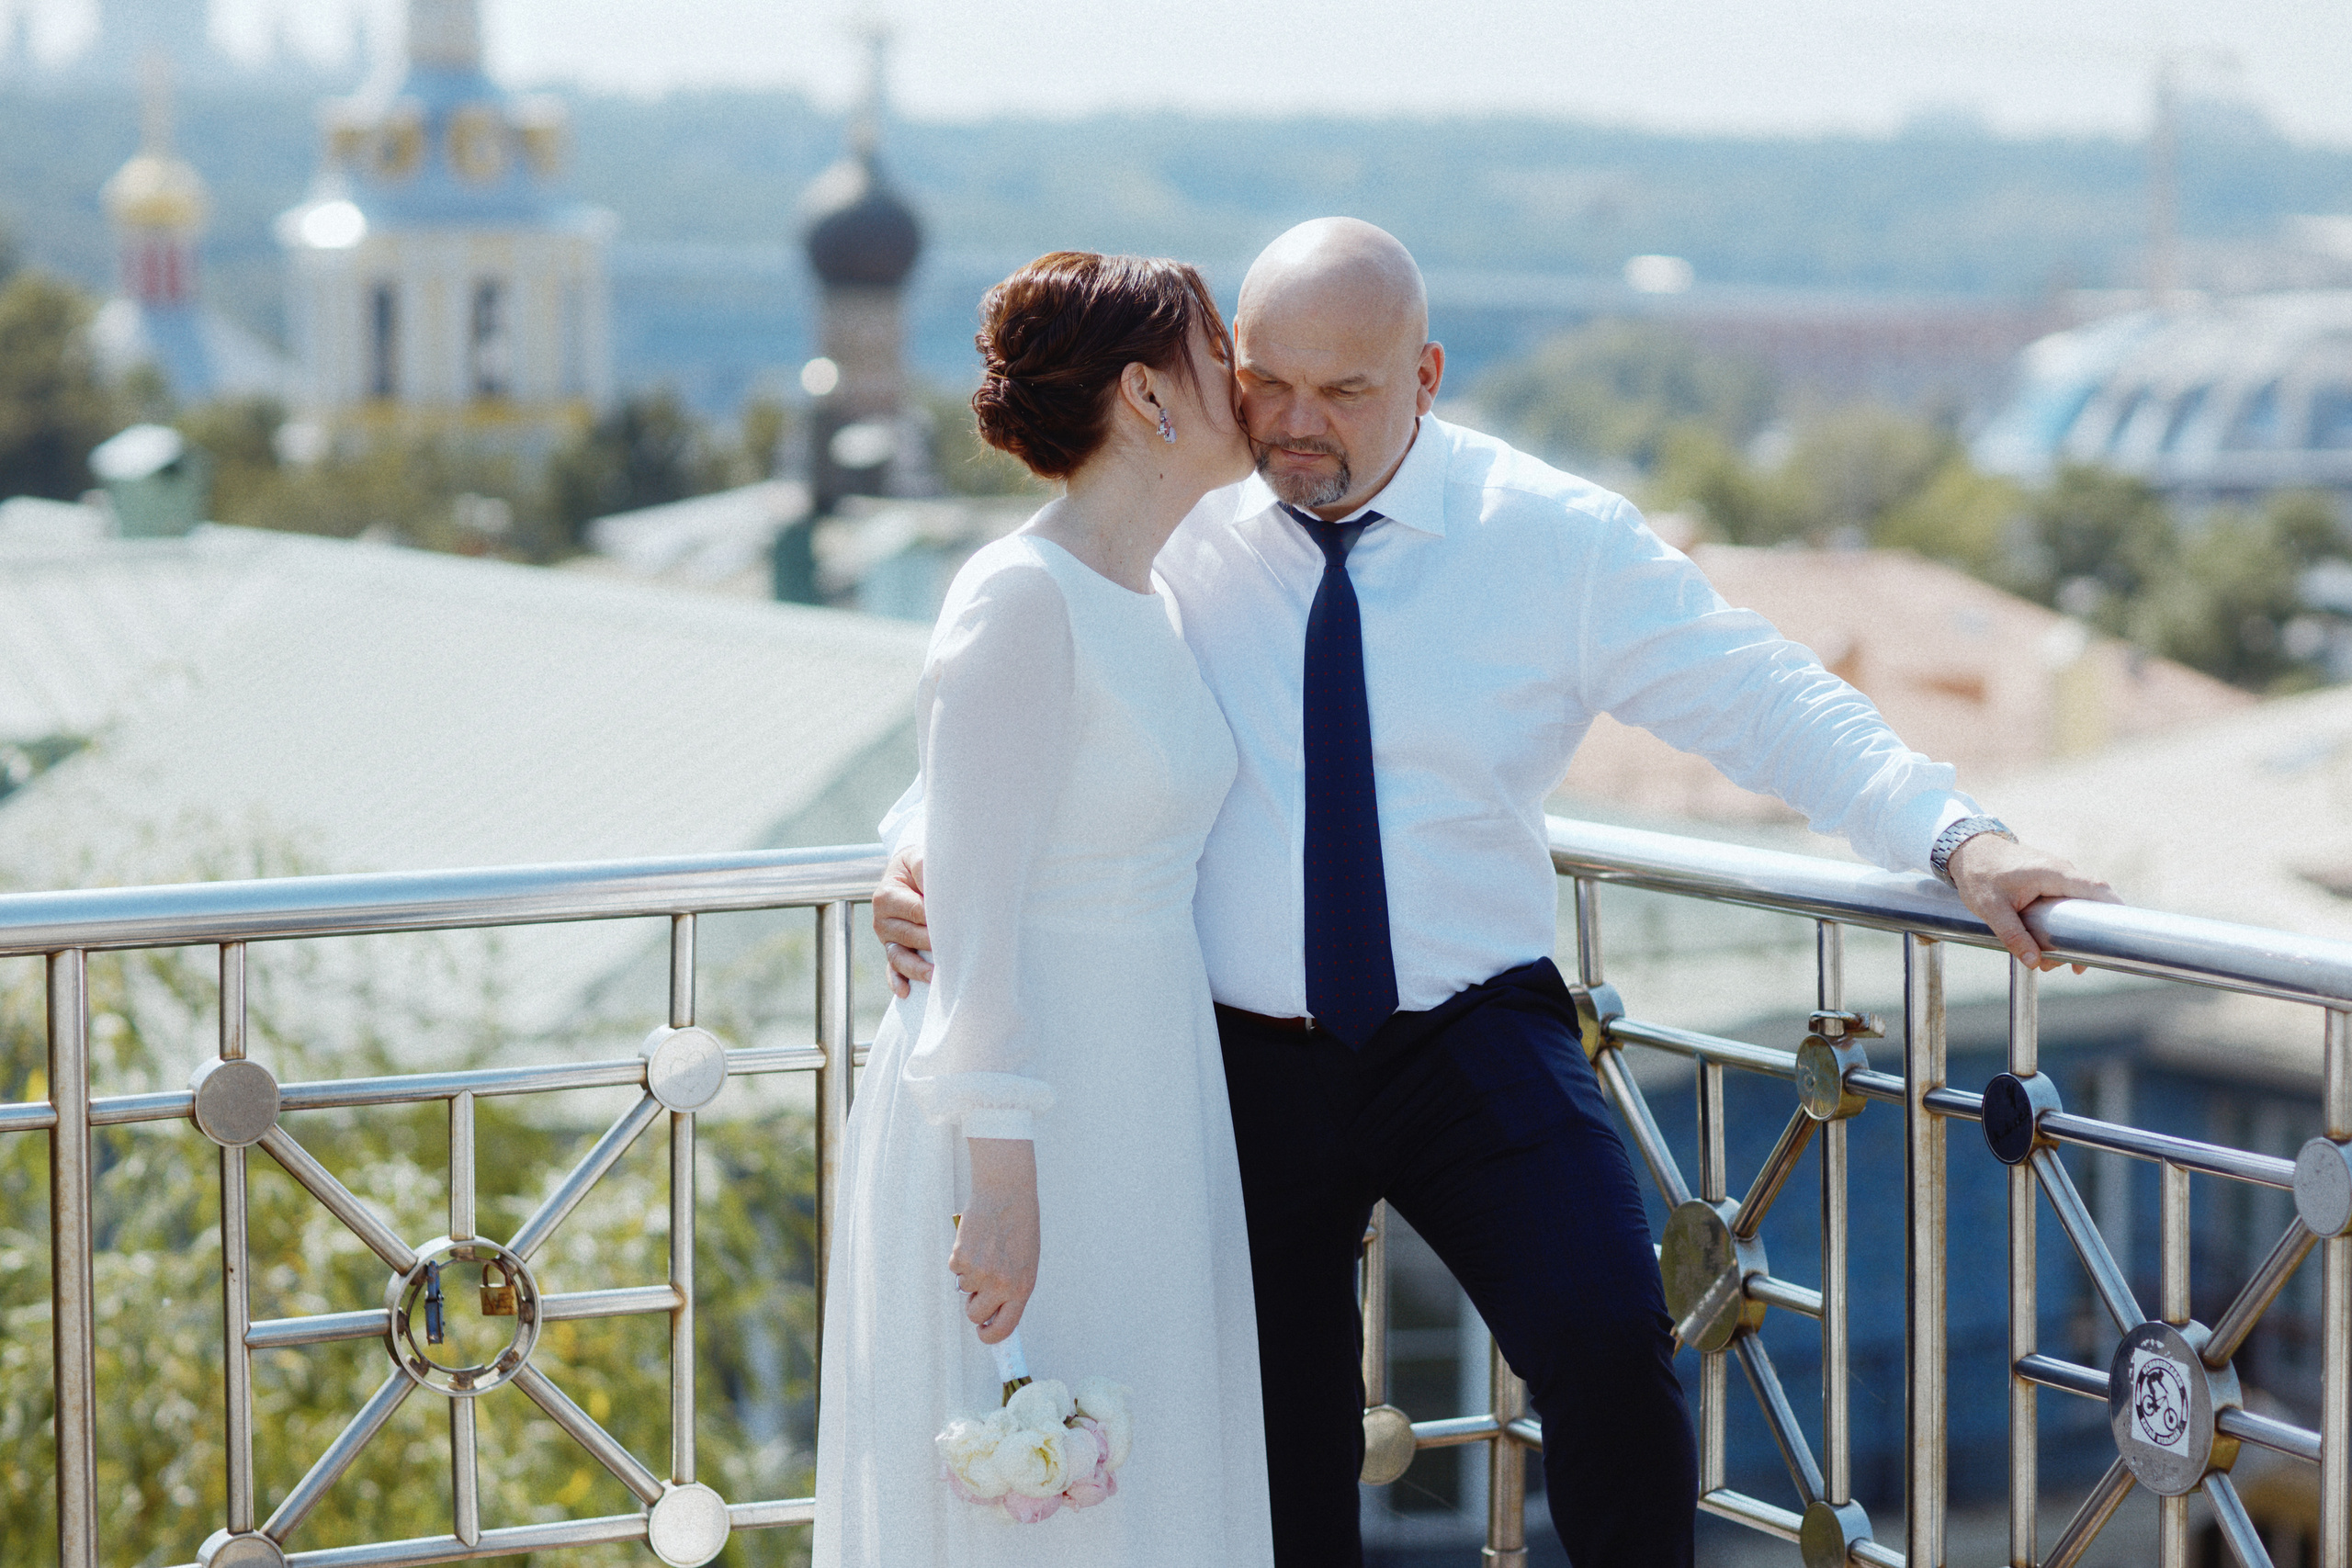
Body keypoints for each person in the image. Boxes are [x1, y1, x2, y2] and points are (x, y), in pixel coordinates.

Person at [874, 219, 2116, 1568]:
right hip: (1227, 1058)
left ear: (1426, 376)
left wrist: (1957, 839)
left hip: (1470, 1033)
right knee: (1277, 1445)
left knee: (1611, 1346)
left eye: (1343, 391)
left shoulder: (1551, 537)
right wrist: (916, 854)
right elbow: (1022, 697)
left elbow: (1763, 697)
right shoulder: (1180, 510)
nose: (1293, 425)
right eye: (1265, 381)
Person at [811, 253, 1274, 1567]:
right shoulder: (1022, 592)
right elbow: (974, 853)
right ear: (1146, 392)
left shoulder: (1156, 596)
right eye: (1218, 346)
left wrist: (909, 861)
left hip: (1147, 1086)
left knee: (1149, 1468)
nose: (1245, 373)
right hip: (1029, 1107)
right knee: (1030, 1473)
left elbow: (971, 805)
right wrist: (1000, 1180)